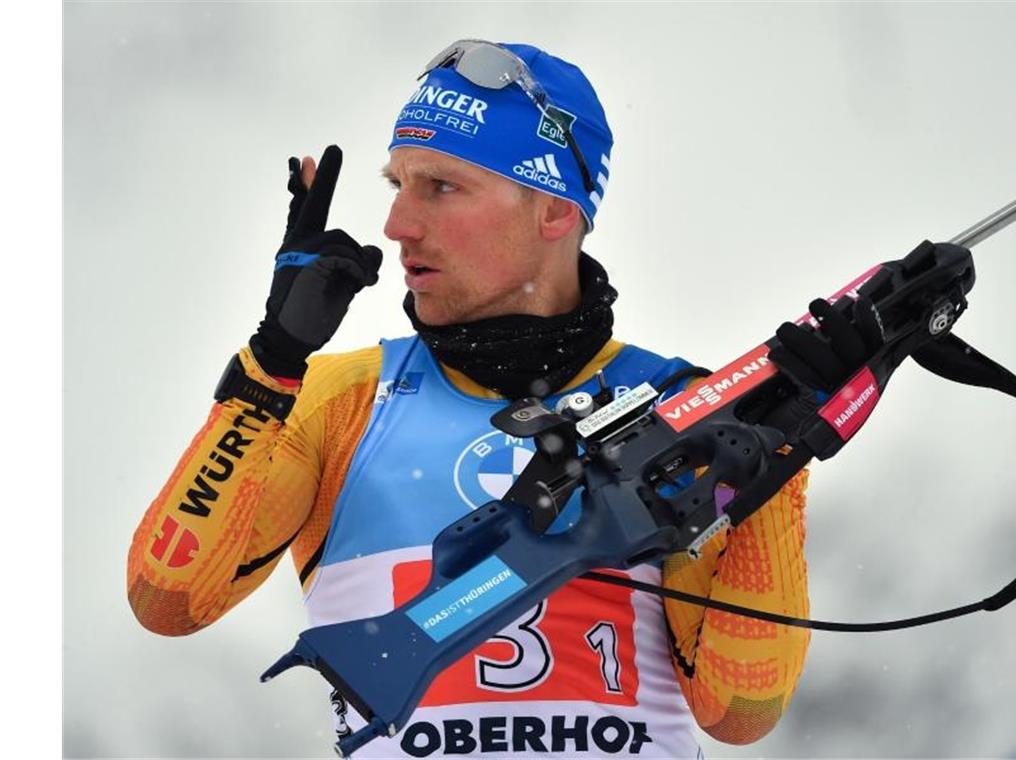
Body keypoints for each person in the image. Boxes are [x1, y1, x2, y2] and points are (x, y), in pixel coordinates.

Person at [128, 40, 821, 758]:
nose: (397, 226)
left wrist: (780, 448)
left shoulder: (681, 403)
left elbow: (740, 707)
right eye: (396, 184)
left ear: (553, 210)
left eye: (440, 186)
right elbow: (169, 599)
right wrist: (271, 365)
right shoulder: (343, 402)